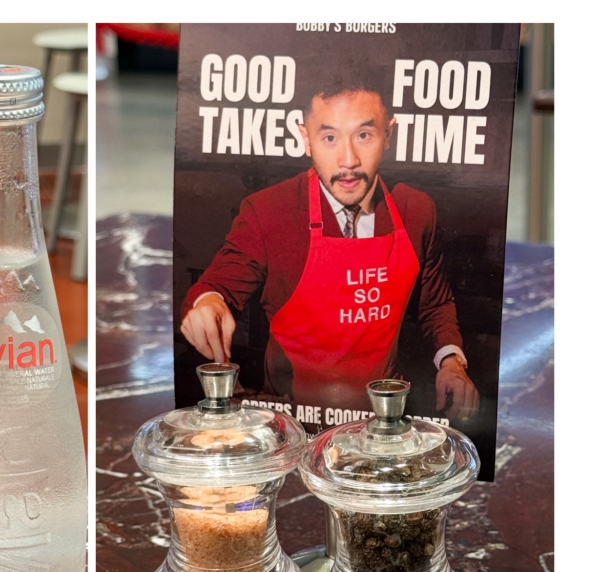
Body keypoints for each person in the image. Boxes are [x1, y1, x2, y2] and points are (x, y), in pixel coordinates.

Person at [180, 66, 479, 421]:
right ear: (306, 138)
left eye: (364, 135)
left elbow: (436, 305)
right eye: (330, 138)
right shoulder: (268, 211)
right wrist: (207, 303)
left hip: (382, 418)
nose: (348, 160)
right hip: (292, 421)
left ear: (389, 134)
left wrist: (451, 362)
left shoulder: (416, 209)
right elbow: (215, 287)